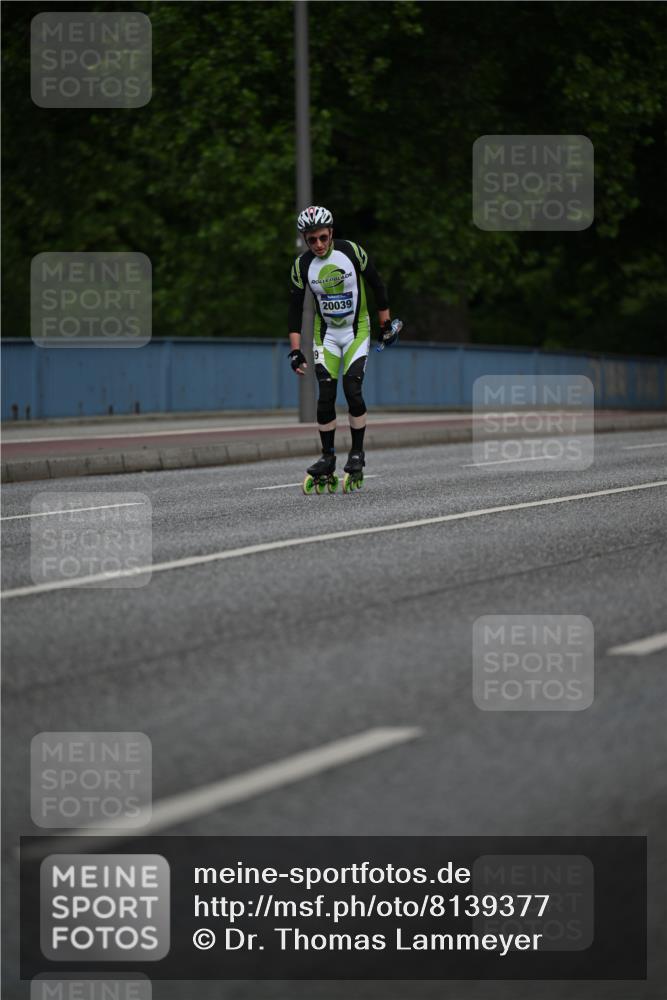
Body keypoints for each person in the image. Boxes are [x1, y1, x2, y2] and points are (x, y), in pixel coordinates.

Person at [287, 205, 399, 492]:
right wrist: (295, 350)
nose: (319, 245)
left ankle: (357, 452)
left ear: (331, 233)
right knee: (325, 395)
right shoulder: (302, 267)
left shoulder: (351, 252)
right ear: (305, 239)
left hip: (356, 332)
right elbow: (294, 309)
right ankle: (327, 458)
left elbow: (378, 285)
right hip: (326, 336)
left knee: (352, 390)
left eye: (323, 237)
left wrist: (385, 325)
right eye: (311, 240)